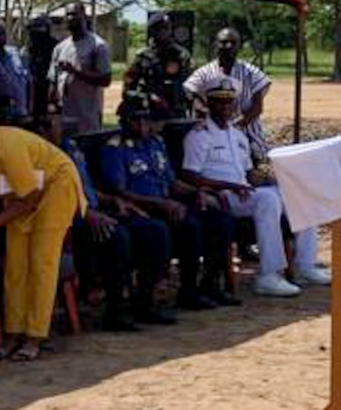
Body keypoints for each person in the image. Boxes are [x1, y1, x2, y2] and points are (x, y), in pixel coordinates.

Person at [181, 80, 330, 298]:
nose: (224, 107)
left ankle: (305, 266)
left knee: (298, 195)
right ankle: (269, 276)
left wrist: (276, 181)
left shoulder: (238, 135)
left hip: (245, 192)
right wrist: (230, 185)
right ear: (209, 104)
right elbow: (189, 175)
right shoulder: (199, 135)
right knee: (268, 201)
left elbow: (250, 174)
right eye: (218, 102)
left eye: (229, 102)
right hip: (221, 196)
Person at [0, 123, 84, 362]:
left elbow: (30, 200)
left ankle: (35, 336)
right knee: (15, 266)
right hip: (20, 196)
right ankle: (13, 333)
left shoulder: (9, 150)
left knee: (41, 263)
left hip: (55, 186)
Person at [98, 94, 238, 310]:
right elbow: (121, 191)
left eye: (147, 119)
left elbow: (172, 183)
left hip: (167, 204)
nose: (145, 125)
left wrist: (195, 191)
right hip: (143, 209)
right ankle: (150, 297)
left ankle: (206, 286)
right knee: (185, 227)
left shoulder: (155, 143)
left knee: (219, 220)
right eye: (139, 120)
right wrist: (162, 204)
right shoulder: (115, 148)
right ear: (125, 122)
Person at [58, 126, 174, 332]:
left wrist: (113, 200)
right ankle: (116, 310)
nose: (59, 128)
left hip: (96, 209)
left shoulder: (69, 147)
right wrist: (86, 214)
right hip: (71, 219)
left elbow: (86, 189)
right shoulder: (42, 156)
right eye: (54, 123)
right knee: (117, 238)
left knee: (154, 230)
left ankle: (144, 302)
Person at [184, 27, 272, 158]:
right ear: (216, 44)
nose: (228, 46)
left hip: (246, 132)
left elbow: (257, 107)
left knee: (254, 165)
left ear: (239, 46)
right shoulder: (204, 73)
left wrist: (234, 127)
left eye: (233, 42)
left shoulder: (251, 72)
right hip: (213, 131)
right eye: (224, 42)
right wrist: (209, 116)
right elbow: (190, 93)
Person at [48, 3, 112, 133]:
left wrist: (76, 72)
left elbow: (106, 79)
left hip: (87, 118)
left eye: (74, 14)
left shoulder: (98, 46)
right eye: (68, 15)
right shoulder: (60, 48)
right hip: (64, 117)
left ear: (85, 17)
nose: (70, 18)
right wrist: (51, 107)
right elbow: (53, 81)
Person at [124, 12, 192, 119]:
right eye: (159, 28)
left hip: (177, 113)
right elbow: (128, 89)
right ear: (152, 31)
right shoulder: (142, 57)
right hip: (150, 114)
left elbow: (191, 85)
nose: (163, 32)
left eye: (166, 28)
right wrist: (148, 98)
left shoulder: (182, 55)